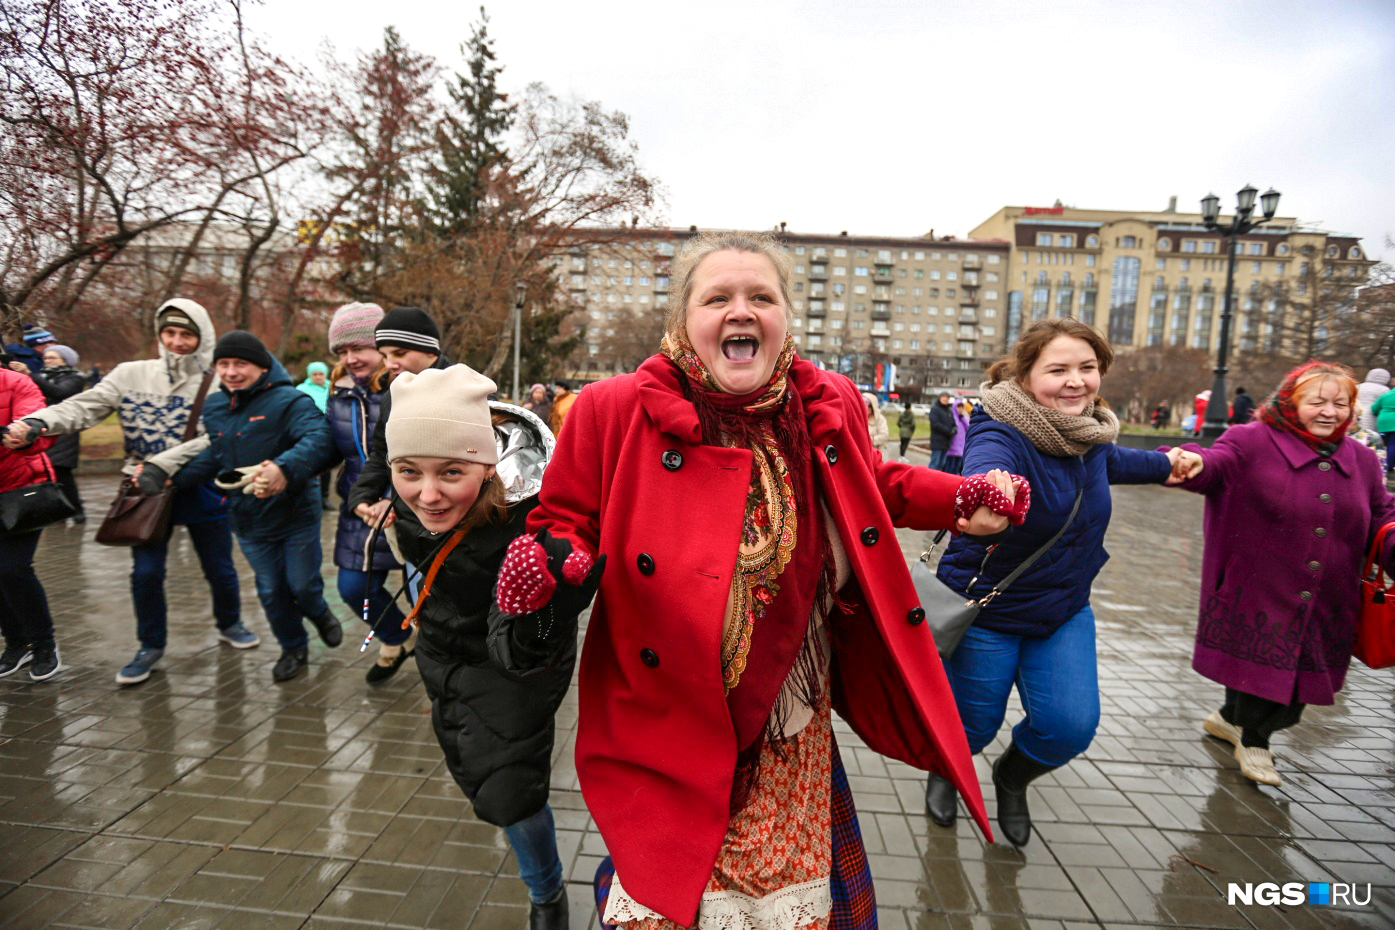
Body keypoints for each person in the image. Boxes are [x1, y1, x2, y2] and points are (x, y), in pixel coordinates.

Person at [526, 231, 1022, 930]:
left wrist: (961, 498)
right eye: (717, 297)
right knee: (666, 877)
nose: (741, 311)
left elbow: (871, 486)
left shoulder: (827, 401)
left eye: (761, 296)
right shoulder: (611, 409)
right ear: (683, 320)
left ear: (786, 315)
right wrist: (551, 560)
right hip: (664, 704)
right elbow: (563, 515)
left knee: (775, 901)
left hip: (789, 707)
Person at [926, 318, 1195, 847]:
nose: (1076, 381)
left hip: (1063, 611)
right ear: (1027, 378)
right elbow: (987, 465)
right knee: (972, 727)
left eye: (1087, 368)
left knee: (1069, 727)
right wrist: (989, 490)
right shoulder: (1000, 428)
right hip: (987, 612)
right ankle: (947, 769)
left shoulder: (1090, 437)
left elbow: (1117, 461)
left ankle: (1012, 777)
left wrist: (1168, 463)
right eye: (1059, 370)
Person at [384, 364, 594, 930]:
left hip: (511, 666)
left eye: (451, 472)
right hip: (442, 652)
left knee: (508, 794)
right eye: (408, 472)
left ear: (485, 464)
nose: (427, 494)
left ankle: (547, 894)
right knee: (482, 771)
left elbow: (523, 653)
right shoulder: (410, 494)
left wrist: (540, 604)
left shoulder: (529, 525)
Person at [1169, 362, 1395, 787]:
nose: (1329, 412)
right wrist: (1188, 462)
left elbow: (1383, 513)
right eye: (1317, 402)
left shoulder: (1362, 459)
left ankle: (1227, 720)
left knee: (1297, 683)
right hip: (1259, 587)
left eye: (1340, 403)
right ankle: (1254, 740)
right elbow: (1216, 463)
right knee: (1265, 679)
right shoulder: (1251, 440)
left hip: (1327, 595)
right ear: (1290, 403)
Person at [4, 300, 248, 686]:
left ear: (203, 338)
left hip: (197, 486)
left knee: (218, 566)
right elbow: (84, 407)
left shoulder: (218, 380)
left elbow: (215, 440)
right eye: (170, 333)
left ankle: (230, 622)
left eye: (187, 335)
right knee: (146, 573)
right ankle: (149, 647)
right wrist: (37, 422)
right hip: (142, 489)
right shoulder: (131, 374)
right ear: (158, 335)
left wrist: (162, 465)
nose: (177, 342)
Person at [169, 331, 340, 682]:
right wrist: (171, 477)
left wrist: (283, 468)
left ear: (262, 368)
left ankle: (319, 612)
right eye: (223, 364)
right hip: (247, 520)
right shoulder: (215, 406)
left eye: (240, 364)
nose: (231, 372)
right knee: (271, 591)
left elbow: (321, 438)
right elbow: (216, 454)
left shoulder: (289, 400)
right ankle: (294, 647)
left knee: (302, 585)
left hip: (295, 515)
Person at [322, 303, 411, 684]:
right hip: (359, 506)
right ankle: (398, 638)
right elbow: (329, 446)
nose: (350, 358)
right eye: (341, 352)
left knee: (425, 590)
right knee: (354, 588)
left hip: (409, 504)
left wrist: (396, 497)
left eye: (358, 348)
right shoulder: (339, 393)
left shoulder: (408, 386)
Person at [346, 306, 451, 528]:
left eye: (399, 353)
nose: (389, 364)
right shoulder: (391, 396)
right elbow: (382, 453)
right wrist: (361, 495)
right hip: (411, 528)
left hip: (459, 525)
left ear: (430, 351)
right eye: (384, 356)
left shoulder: (467, 389)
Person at [0, 368, 62, 681]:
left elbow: (38, 428)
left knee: (12, 568)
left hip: (20, 490)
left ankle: (43, 643)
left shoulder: (17, 383)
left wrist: (20, 434)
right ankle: (15, 643)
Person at [29, 345, 88, 523]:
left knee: (61, 471)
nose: (48, 361)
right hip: (45, 428)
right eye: (46, 358)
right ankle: (58, 512)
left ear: (66, 360)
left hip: (65, 431)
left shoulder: (75, 378)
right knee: (47, 473)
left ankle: (77, 510)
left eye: (53, 358)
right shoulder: (43, 376)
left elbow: (59, 392)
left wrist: (31, 376)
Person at [1369, 384, 1395, 476]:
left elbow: (1374, 408)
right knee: (1393, 445)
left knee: (1384, 445)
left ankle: (1379, 464)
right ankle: (1388, 466)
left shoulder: (1386, 395)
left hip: (1383, 422)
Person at [1356, 368, 1391, 433]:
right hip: (1372, 414)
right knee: (1369, 434)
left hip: (1356, 412)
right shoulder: (1384, 390)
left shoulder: (1358, 386)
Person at [929, 391, 956, 471]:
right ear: (939, 398)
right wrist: (948, 431)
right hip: (937, 441)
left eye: (947, 397)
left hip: (946, 442)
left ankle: (937, 482)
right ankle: (929, 481)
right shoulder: (935, 409)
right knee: (934, 464)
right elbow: (935, 424)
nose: (945, 399)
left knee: (941, 465)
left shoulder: (948, 410)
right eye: (943, 397)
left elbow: (952, 422)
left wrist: (954, 428)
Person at [944, 398, 971, 475]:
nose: (960, 409)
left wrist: (963, 418)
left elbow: (968, 427)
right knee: (949, 469)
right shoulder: (952, 417)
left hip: (960, 449)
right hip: (952, 448)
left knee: (956, 469)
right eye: (958, 407)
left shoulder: (963, 418)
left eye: (961, 407)